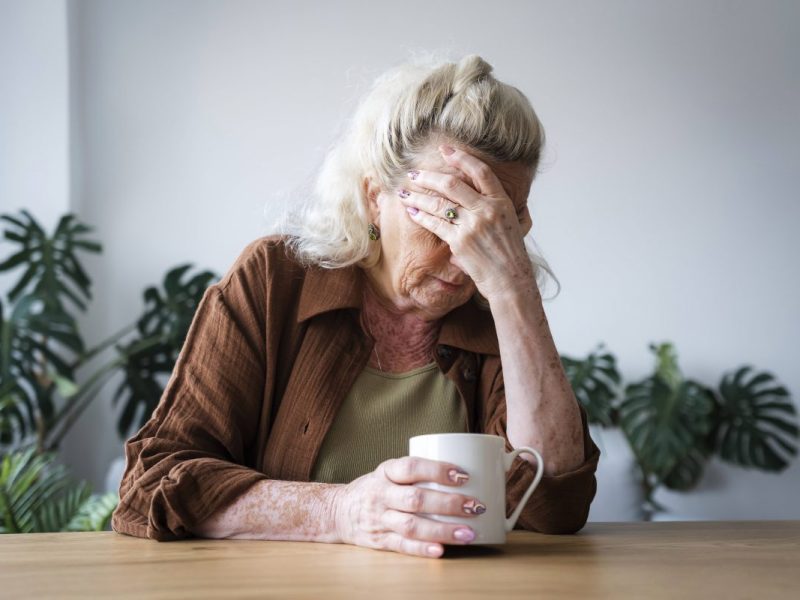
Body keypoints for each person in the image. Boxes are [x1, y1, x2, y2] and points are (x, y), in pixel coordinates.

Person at [111, 54, 600, 559]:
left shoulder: (497, 307)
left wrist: (513, 288)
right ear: (373, 198)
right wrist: (340, 511)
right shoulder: (275, 281)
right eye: (443, 215)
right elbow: (152, 484)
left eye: (491, 227)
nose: (463, 255)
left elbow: (556, 506)